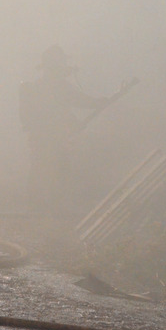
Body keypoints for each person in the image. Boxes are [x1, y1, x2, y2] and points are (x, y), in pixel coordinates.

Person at [19, 45, 110, 212]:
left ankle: (44, 204)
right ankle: (46, 204)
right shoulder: (55, 86)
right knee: (52, 167)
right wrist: (97, 104)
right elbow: (77, 102)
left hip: (48, 136)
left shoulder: (48, 86)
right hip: (49, 136)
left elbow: (74, 102)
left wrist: (95, 105)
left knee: (47, 167)